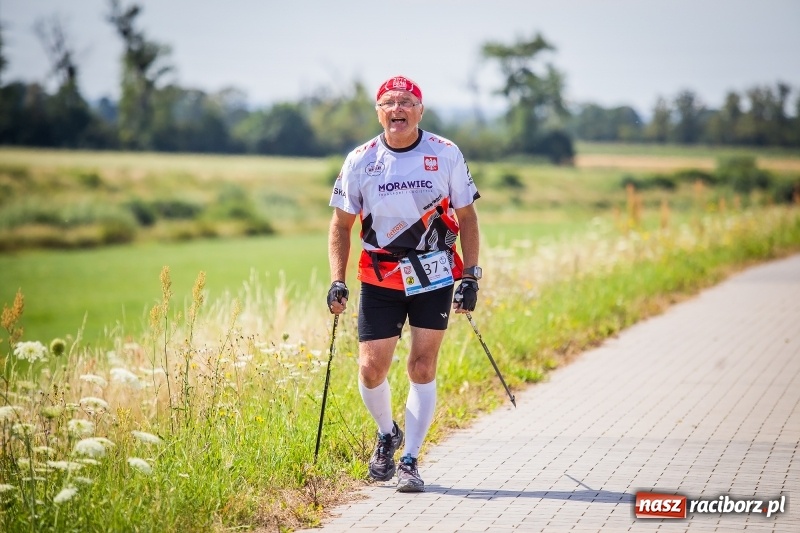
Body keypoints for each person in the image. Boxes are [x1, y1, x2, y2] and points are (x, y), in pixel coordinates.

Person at [326, 75, 482, 493]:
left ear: (420, 111)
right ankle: (386, 434)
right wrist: (336, 280)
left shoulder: (445, 153)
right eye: (389, 102)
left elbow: (467, 218)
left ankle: (410, 460)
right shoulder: (360, 159)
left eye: (407, 102)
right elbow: (340, 224)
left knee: (421, 366)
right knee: (371, 368)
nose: (398, 109)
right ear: (379, 111)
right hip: (379, 274)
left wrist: (471, 276)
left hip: (433, 272)